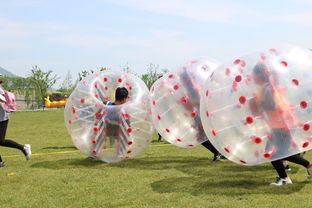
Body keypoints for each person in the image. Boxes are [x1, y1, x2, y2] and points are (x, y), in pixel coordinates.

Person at [250, 63, 312, 186]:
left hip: (281, 126)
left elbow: (273, 106)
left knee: (274, 153)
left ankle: (286, 178)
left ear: (259, 75)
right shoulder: (267, 87)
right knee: (279, 152)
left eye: (254, 74)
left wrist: (256, 104)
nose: (253, 77)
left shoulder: (267, 89)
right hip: (280, 125)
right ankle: (304, 167)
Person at [180, 70, 223, 161]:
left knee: (200, 137)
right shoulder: (191, 87)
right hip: (200, 115)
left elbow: (198, 100)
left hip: (200, 116)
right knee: (207, 136)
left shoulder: (191, 88)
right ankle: (221, 152)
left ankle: (217, 152)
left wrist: (189, 102)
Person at [0, 80, 31, 167]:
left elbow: (3, 99)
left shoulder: (0, 89)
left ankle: (24, 148)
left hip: (2, 117)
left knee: (0, 141)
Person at [92, 87, 130, 157]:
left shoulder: (106, 104)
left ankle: (94, 153)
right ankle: (120, 153)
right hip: (112, 131)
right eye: (126, 98)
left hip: (108, 131)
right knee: (125, 135)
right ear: (124, 99)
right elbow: (127, 125)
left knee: (99, 134)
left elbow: (97, 116)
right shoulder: (123, 110)